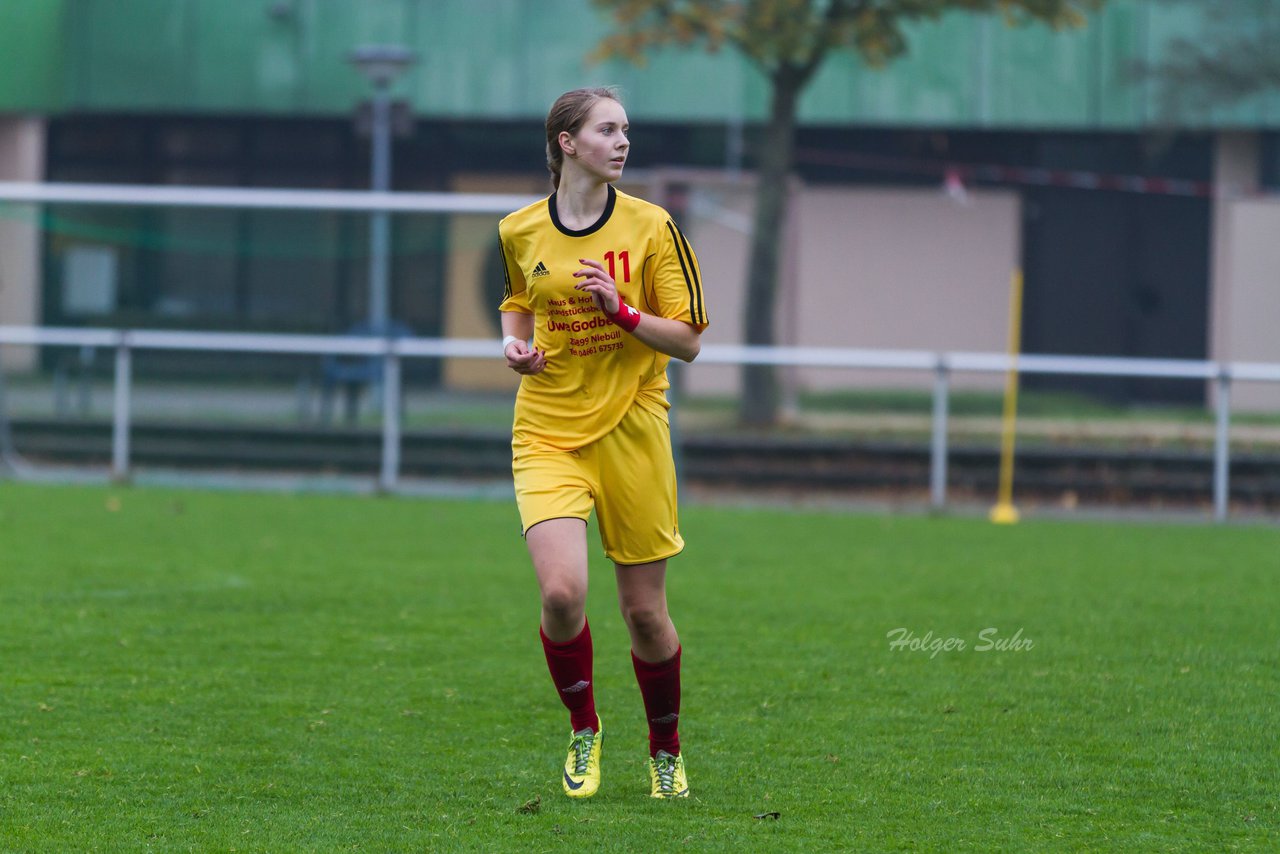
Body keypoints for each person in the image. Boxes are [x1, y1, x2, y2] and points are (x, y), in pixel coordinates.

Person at [497, 87, 708, 800]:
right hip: (548, 428)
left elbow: (687, 342)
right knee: (562, 593)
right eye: (607, 130)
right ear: (567, 143)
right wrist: (514, 347)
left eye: (626, 130)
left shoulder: (653, 228)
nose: (623, 142)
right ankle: (584, 728)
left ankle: (665, 748)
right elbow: (520, 303)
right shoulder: (519, 229)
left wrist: (620, 311)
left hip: (633, 430)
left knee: (645, 614)